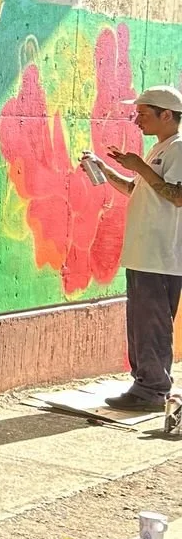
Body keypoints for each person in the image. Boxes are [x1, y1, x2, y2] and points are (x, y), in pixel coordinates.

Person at [96, 84, 182, 412]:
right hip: (145, 255)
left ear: (167, 115)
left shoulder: (178, 148)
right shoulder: (161, 149)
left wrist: (139, 166)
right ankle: (143, 384)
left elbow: (177, 196)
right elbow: (140, 189)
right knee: (141, 322)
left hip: (162, 257)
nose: (137, 120)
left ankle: (153, 389)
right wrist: (107, 172)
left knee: (153, 324)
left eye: (144, 114)